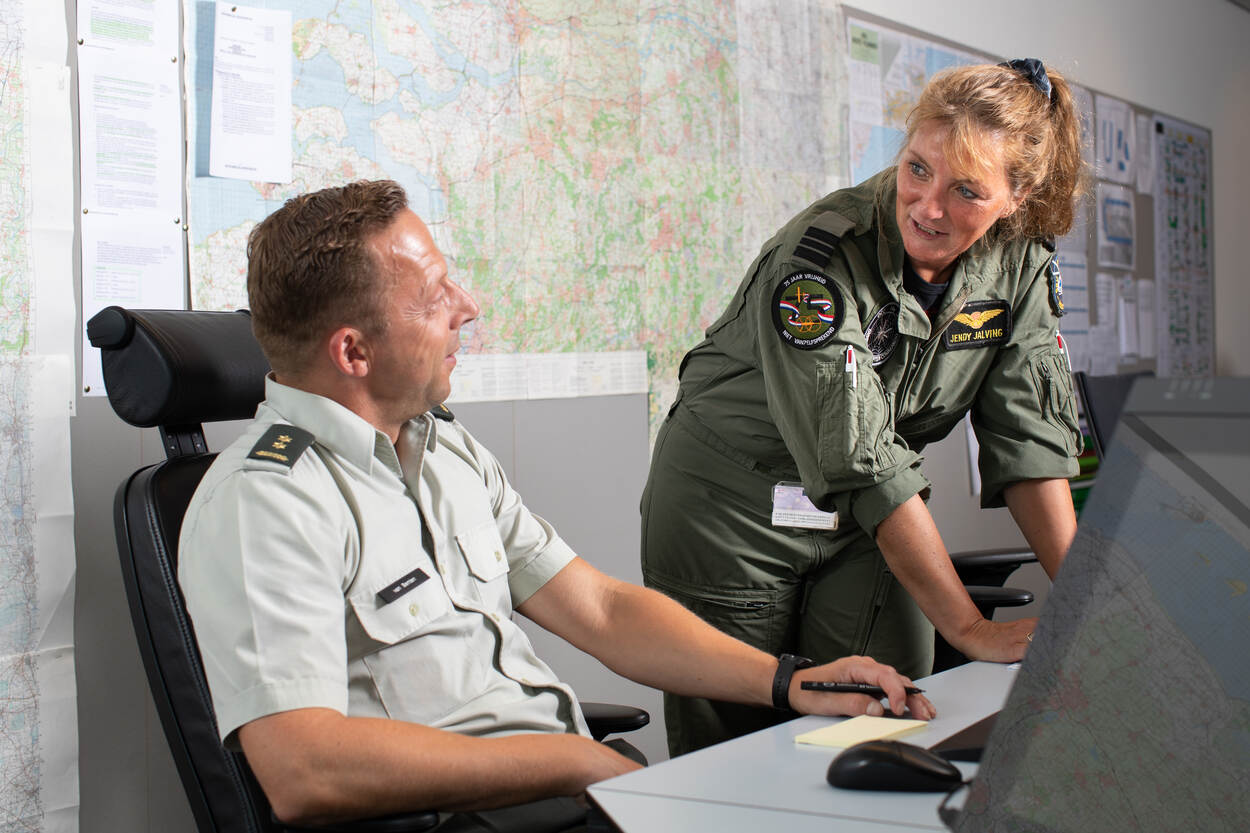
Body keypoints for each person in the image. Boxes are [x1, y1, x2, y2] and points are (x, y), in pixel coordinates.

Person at [177, 180, 934, 832]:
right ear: (353, 352)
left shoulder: (441, 449)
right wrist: (571, 761)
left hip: (560, 796)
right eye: (434, 297)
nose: (467, 307)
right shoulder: (267, 501)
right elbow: (303, 768)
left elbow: (600, 609)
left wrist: (789, 680)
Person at [641, 59, 1086, 756]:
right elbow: (861, 457)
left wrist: (1094, 607)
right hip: (733, 510)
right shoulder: (820, 257)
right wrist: (969, 627)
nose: (928, 207)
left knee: (891, 715)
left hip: (862, 519)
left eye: (966, 190)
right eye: (917, 169)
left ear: (1016, 196)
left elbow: (1029, 439)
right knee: (738, 753)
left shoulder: (1021, 263)